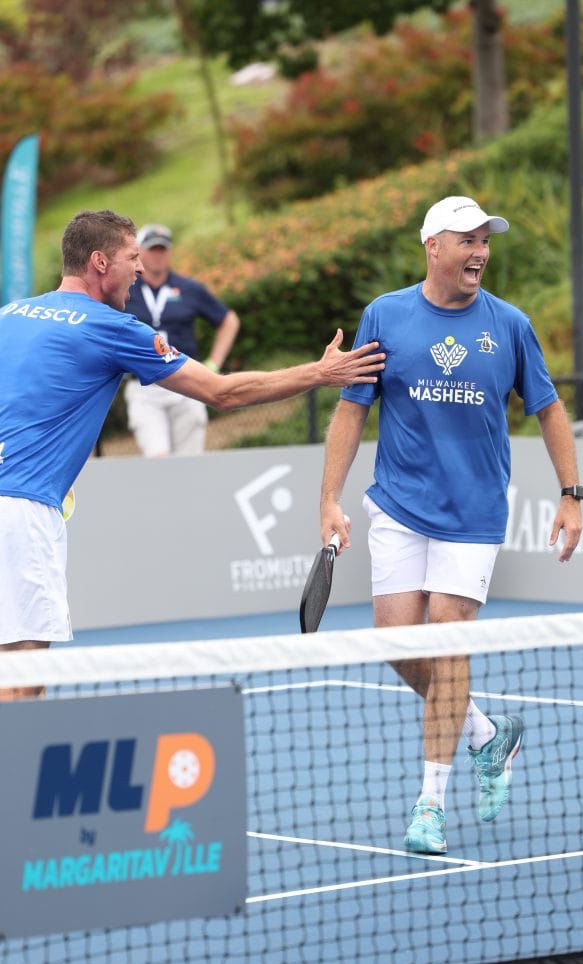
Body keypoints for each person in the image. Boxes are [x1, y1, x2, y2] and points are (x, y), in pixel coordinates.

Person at [0, 208, 385, 697]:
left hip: (19, 501)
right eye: (132, 257)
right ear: (99, 262)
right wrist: (320, 373)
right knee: (22, 676)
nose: (140, 268)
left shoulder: (10, 315)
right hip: (22, 513)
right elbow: (222, 392)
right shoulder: (113, 328)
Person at [319, 195, 583, 855]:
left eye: (485, 241)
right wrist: (329, 499)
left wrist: (571, 493)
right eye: (467, 240)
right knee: (395, 645)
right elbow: (352, 408)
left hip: (474, 513)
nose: (480, 252)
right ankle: (487, 734)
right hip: (399, 506)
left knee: (447, 643)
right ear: (432, 246)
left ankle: (429, 804)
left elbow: (548, 408)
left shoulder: (510, 325)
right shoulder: (385, 315)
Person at [123, 223, 241, 456]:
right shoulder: (127, 288)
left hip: (187, 383)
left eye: (163, 249)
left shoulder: (189, 288)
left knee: (189, 460)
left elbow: (229, 321)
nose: (158, 255)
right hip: (144, 386)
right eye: (152, 249)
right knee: (158, 457)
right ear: (139, 252)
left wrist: (213, 364)